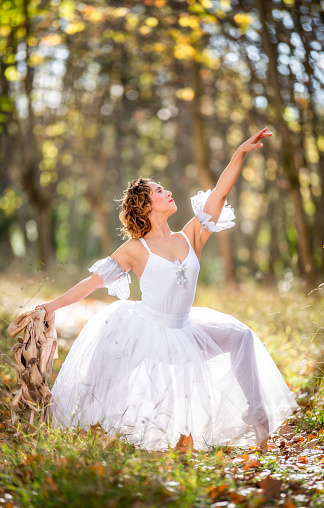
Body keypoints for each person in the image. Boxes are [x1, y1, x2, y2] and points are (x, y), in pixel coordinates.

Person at [37, 128, 297, 451]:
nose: (168, 191)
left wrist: (239, 154)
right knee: (103, 387)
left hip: (184, 328)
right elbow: (93, 283)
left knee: (241, 336)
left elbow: (219, 194)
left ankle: (257, 416)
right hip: (145, 330)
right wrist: (51, 306)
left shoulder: (192, 234)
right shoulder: (135, 248)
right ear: (146, 206)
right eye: (160, 190)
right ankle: (83, 431)